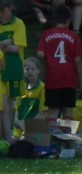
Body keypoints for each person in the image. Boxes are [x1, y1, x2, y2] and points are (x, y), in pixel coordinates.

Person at [37, 4, 82, 120]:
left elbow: (40, 54)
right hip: (69, 79)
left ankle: (51, 137)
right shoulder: (73, 36)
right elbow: (77, 60)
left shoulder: (46, 34)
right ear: (68, 20)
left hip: (52, 79)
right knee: (68, 112)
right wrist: (81, 81)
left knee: (52, 112)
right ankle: (67, 137)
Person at [0, 0, 27, 141]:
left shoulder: (18, 24)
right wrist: (8, 41)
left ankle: (8, 135)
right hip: (1, 71)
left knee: (10, 104)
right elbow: (11, 45)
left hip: (13, 70)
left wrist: (6, 44)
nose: (1, 15)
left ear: (9, 8)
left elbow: (16, 48)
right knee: (3, 106)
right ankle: (4, 137)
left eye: (2, 11)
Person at [13, 56, 46, 141]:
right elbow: (17, 108)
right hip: (19, 128)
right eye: (27, 69)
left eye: (33, 69)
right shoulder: (22, 87)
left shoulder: (42, 88)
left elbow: (43, 113)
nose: (29, 72)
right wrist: (16, 121)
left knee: (24, 143)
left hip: (34, 127)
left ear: (38, 71)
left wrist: (28, 126)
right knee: (11, 144)